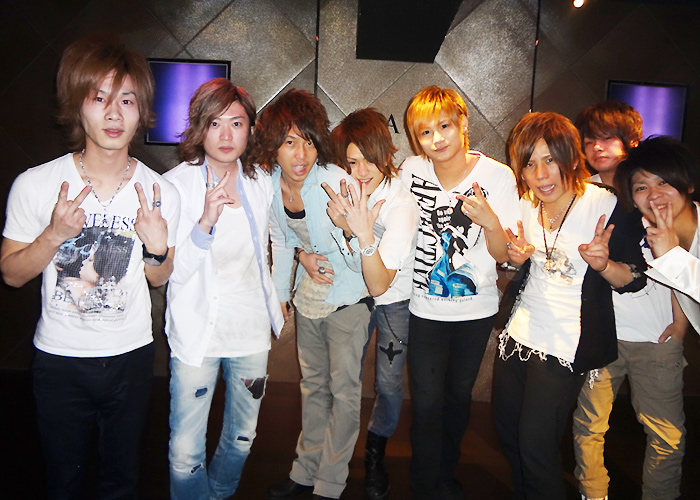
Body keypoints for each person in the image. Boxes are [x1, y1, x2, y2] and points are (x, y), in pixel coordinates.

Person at [0, 34, 179, 498]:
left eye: (127, 100)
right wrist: (53, 235)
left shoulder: (160, 192)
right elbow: (12, 274)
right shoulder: (35, 184)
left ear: (141, 111)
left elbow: (159, 277)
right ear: (77, 105)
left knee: (123, 478)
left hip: (130, 356)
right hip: (59, 358)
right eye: (99, 98)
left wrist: (158, 249)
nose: (114, 114)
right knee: (63, 479)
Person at [490, 111, 646, 500]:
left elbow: (634, 278)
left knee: (536, 446)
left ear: (571, 157)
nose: (540, 174)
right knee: (508, 433)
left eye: (550, 160)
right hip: (518, 334)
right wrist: (515, 258)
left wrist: (604, 264)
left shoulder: (606, 205)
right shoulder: (527, 203)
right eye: (529, 164)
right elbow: (517, 257)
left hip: (565, 343)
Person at [163, 78, 284, 500]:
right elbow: (171, 272)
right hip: (197, 331)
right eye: (215, 123)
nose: (227, 134)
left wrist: (284, 286)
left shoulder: (260, 179)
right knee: (185, 451)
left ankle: (218, 495)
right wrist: (205, 224)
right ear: (200, 128)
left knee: (242, 437)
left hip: (250, 330)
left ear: (250, 128)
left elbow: (277, 237)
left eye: (237, 123)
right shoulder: (175, 185)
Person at [400, 85, 520, 499]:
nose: (437, 139)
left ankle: (445, 474)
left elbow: (503, 255)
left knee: (456, 398)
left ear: (463, 123)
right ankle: (423, 484)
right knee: (426, 402)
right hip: (424, 309)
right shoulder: (411, 171)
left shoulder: (497, 176)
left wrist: (490, 221)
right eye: (426, 132)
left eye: (444, 126)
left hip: (475, 311)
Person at [257, 89, 370, 500]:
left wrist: (344, 230)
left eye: (308, 141)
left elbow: (361, 255)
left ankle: (330, 483)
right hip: (309, 297)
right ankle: (304, 473)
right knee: (313, 387)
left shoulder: (336, 182)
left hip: (348, 298)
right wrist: (280, 295)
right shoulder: (270, 185)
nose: (301, 154)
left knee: (344, 392)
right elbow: (282, 241)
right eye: (289, 142)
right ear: (274, 146)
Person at [573, 107, 688, 500]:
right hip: (603, 332)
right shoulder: (582, 191)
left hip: (655, 336)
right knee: (589, 425)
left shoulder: (656, 195)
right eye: (590, 140)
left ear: (630, 142)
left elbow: (680, 261)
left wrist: (680, 322)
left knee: (665, 434)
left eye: (608, 138)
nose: (597, 147)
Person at [322, 108, 419, 500]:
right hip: (352, 295)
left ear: (386, 153)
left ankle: (376, 451)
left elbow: (380, 283)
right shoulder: (345, 189)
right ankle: (332, 458)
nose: (360, 172)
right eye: (352, 162)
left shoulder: (401, 206)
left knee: (388, 383)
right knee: (341, 377)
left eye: (368, 160)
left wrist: (355, 231)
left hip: (393, 300)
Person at [615, 135, 700, 329]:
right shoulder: (646, 235)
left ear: (688, 184)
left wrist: (671, 256)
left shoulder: (667, 248)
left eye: (663, 182)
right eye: (641, 187)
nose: (654, 195)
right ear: (634, 201)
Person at [575, 100, 643, 186]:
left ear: (632, 140)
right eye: (589, 142)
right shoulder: (581, 191)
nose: (596, 147)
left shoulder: (650, 186)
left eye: (606, 138)